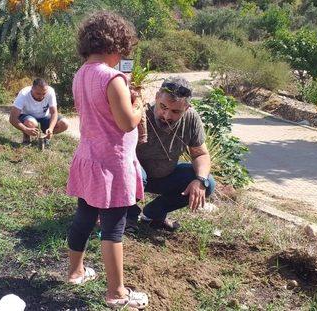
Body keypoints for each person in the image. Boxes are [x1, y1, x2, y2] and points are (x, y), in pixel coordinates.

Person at [66, 11, 149, 310]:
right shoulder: (112, 77)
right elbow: (127, 123)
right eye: (123, 51)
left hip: (88, 158)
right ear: (116, 45)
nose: (122, 57)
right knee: (113, 228)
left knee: (84, 218)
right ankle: (117, 293)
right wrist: (138, 105)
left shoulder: (81, 73)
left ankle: (75, 271)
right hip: (112, 164)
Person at [127, 77, 216, 231]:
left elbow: (200, 154)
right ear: (156, 97)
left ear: (187, 108)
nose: (166, 115)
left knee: (208, 183)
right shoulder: (140, 113)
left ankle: (155, 214)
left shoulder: (191, 118)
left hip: (166, 177)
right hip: (135, 176)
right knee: (133, 172)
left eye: (175, 111)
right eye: (163, 107)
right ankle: (127, 214)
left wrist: (200, 180)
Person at [8, 78, 69, 145]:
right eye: (38, 93)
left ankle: (45, 138)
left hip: (44, 117)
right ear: (32, 89)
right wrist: (25, 129)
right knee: (31, 122)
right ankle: (26, 138)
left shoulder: (50, 91)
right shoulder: (23, 94)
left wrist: (51, 129)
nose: (41, 96)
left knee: (64, 123)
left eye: (44, 93)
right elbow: (12, 118)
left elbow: (54, 113)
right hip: (28, 118)